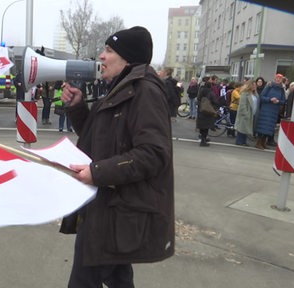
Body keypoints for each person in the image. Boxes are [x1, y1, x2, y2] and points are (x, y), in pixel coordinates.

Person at [60, 26, 174, 287]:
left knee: (84, 281)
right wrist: (78, 109)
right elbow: (100, 138)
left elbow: (153, 154)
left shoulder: (144, 92)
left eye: (109, 50)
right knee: (119, 278)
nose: (101, 56)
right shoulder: (122, 89)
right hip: (113, 209)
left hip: (116, 211)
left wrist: (97, 172)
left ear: (127, 58)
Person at [254, 74, 286, 150]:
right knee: (263, 126)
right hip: (266, 110)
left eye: (280, 79)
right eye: (277, 78)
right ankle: (258, 142)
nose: (278, 80)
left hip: (274, 111)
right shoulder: (269, 86)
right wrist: (270, 99)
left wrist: (278, 101)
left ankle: (263, 142)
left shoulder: (281, 89)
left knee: (269, 128)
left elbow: (283, 101)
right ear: (274, 79)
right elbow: (262, 97)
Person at [235, 80, 258, 146]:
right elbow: (242, 105)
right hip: (245, 113)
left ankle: (243, 141)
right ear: (249, 85)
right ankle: (239, 141)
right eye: (253, 85)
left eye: (255, 85)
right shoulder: (245, 93)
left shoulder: (254, 94)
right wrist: (246, 113)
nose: (254, 86)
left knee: (246, 128)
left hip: (251, 113)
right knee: (242, 128)